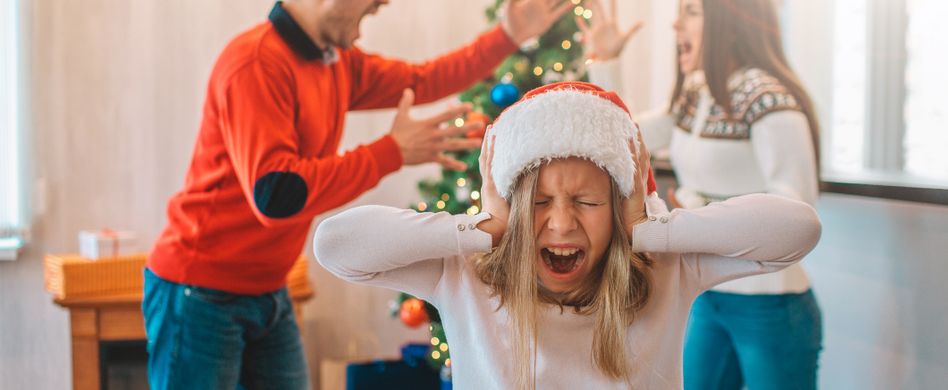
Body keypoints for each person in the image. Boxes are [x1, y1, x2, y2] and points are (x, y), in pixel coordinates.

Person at [142, 0, 574, 388]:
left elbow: (422, 80)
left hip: (267, 289)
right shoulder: (256, 64)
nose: (383, 2)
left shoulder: (335, 63)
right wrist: (391, 152)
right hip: (200, 291)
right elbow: (276, 194)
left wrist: (507, 36)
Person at [314, 81, 822, 389]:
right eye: (537, 204)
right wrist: (485, 228)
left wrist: (645, 230)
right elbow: (336, 245)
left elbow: (797, 229)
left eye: (587, 202)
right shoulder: (466, 272)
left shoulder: (666, 266)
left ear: (619, 203)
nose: (560, 224)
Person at [580, 0, 824, 388]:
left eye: (692, 10)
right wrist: (606, 61)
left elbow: (799, 211)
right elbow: (620, 137)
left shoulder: (767, 98)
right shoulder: (696, 94)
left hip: (769, 303)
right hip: (709, 296)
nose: (677, 24)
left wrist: (696, 209)